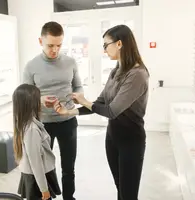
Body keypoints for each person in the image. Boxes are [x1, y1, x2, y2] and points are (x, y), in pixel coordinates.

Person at [54, 24, 149, 200]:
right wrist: (69, 112)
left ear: (119, 43)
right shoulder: (116, 71)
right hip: (113, 138)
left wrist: (84, 101)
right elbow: (99, 103)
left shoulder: (137, 75)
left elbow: (112, 111)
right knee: (120, 187)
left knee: (128, 194)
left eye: (106, 45)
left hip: (131, 141)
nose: (104, 50)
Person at [23, 21, 83, 200]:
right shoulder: (31, 66)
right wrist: (39, 100)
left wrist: (75, 97)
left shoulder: (71, 62)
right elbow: (24, 97)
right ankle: (46, 196)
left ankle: (69, 198)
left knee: (68, 167)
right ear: (40, 41)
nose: (55, 50)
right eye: (50, 45)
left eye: (59, 45)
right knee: (41, 167)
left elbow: (78, 87)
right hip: (42, 126)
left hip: (68, 122)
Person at [13, 84, 61, 200]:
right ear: (31, 104)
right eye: (38, 99)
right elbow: (36, 163)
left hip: (35, 178)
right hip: (37, 179)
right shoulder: (32, 129)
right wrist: (44, 189)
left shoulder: (25, 123)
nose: (41, 102)